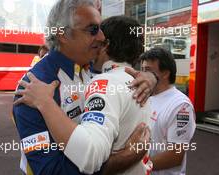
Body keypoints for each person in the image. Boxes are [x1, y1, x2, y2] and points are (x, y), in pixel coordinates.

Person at [13, 0, 157, 174]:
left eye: (101, 29)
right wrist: (127, 156)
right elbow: (50, 170)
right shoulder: (34, 87)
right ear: (63, 35)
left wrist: (151, 78)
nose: (102, 37)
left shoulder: (91, 69)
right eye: (93, 29)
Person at [140, 47, 196, 175]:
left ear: (165, 73)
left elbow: (175, 155)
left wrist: (139, 167)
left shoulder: (181, 105)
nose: (142, 75)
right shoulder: (148, 96)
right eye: (142, 70)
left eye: (148, 70)